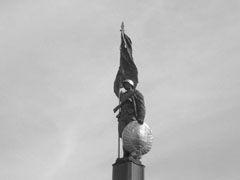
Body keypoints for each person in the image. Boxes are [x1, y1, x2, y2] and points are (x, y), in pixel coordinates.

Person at [113, 79, 146, 159]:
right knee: (123, 136)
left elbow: (141, 106)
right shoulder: (123, 96)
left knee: (131, 136)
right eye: (124, 84)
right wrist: (120, 115)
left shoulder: (136, 93)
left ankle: (133, 153)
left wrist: (141, 117)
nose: (124, 85)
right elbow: (123, 107)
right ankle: (126, 154)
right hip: (123, 118)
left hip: (131, 117)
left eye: (126, 84)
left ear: (130, 84)